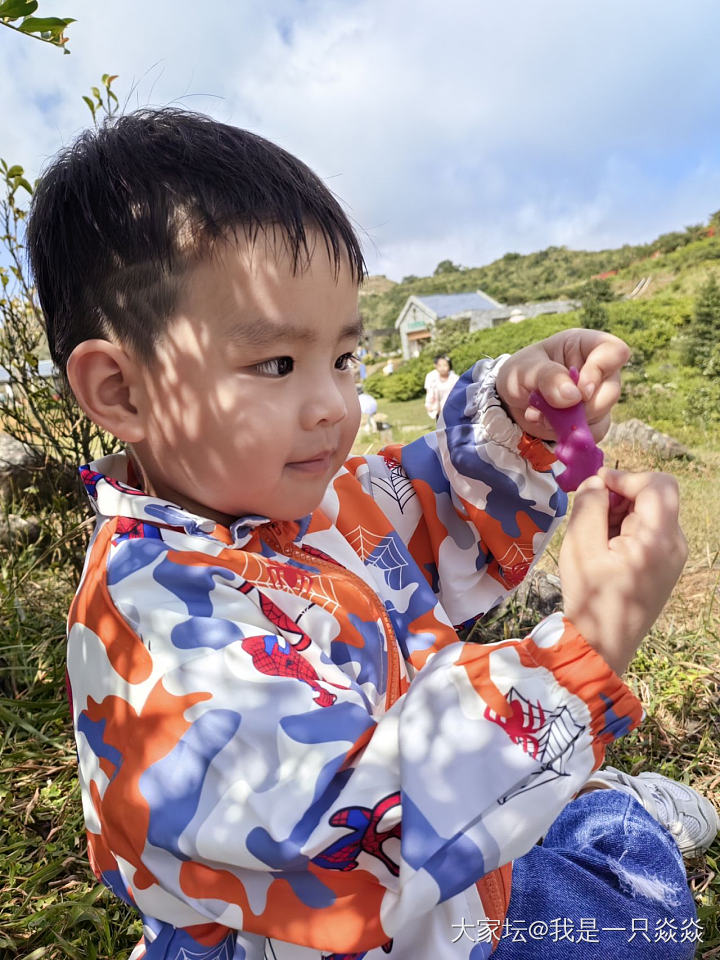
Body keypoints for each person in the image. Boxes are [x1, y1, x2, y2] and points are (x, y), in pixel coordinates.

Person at [27, 109, 717, 960]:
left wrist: (521, 415)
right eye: (277, 363)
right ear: (122, 392)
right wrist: (591, 643)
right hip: (344, 914)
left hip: (451, 863)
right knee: (638, 923)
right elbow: (336, 836)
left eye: (344, 358)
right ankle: (615, 818)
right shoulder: (160, 631)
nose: (334, 405)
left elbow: (428, 500)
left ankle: (573, 806)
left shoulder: (309, 506)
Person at [424, 354, 459, 420]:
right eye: (440, 365)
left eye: (445, 365)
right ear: (436, 366)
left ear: (449, 366)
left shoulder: (455, 378)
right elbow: (429, 394)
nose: (442, 368)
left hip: (453, 410)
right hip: (438, 411)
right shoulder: (432, 378)